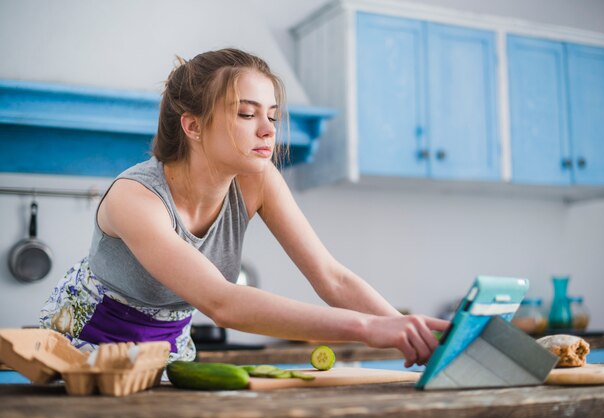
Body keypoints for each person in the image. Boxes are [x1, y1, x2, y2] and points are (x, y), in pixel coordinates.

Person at [40, 48, 448, 367]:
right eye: (247, 113)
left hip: (169, 352)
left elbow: (333, 279)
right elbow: (222, 303)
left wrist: (414, 331)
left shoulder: (259, 179)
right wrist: (369, 328)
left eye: (271, 115)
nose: (268, 129)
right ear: (193, 125)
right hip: (83, 347)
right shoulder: (135, 198)